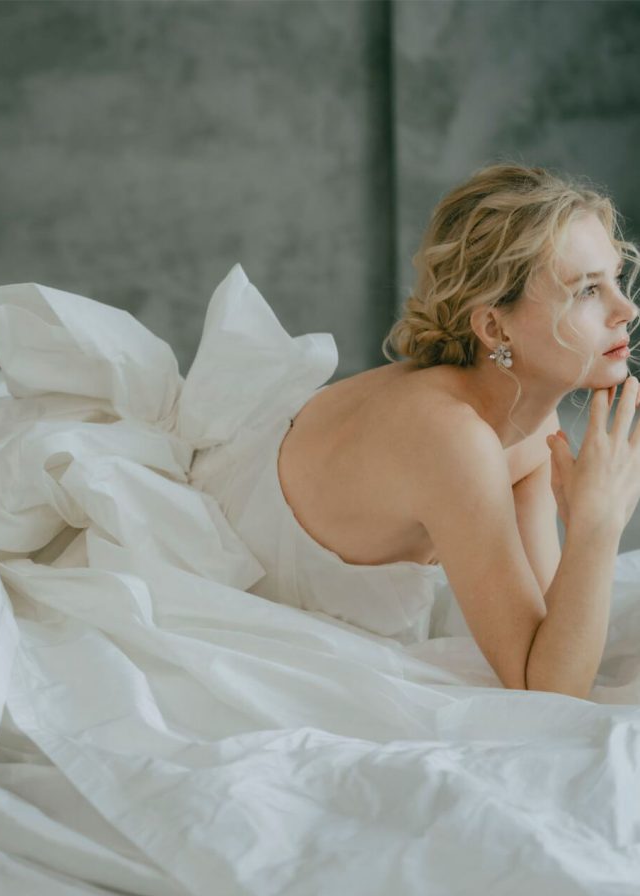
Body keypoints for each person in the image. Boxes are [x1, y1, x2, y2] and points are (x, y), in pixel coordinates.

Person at [272, 162, 640, 698]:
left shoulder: (531, 421)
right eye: (586, 291)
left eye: (615, 280)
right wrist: (599, 523)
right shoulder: (448, 435)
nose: (626, 309)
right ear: (494, 326)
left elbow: (550, 644)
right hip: (247, 579)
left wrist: (593, 523)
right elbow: (546, 687)